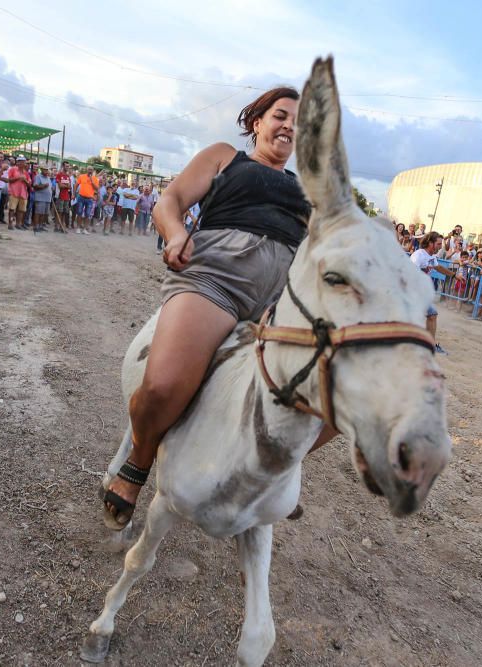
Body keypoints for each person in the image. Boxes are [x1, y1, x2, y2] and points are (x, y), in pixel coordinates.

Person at [102, 86, 319, 529]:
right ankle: (139, 462)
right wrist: (176, 233)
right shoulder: (226, 158)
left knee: (325, 399)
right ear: (257, 122)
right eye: (280, 115)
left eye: (299, 124)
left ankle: (273, 475)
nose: (289, 126)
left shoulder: (305, 190)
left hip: (278, 301)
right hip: (216, 276)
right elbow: (172, 201)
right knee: (162, 388)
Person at [410, 232, 453, 353]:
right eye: (438, 244)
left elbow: (438, 267)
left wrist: (454, 275)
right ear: (430, 243)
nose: (440, 246)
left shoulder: (431, 256)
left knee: (432, 315)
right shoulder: (418, 255)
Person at [5, 156, 30, 230]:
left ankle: (18, 224)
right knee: (12, 209)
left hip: (23, 193)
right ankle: (10, 224)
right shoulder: (13, 169)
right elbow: (8, 180)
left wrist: (25, 180)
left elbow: (29, 184)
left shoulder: (26, 172)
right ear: (17, 162)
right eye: (20, 162)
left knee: (21, 210)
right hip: (14, 192)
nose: (22, 163)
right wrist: (18, 178)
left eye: (23, 162)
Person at [76, 166, 99, 234]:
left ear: (93, 171)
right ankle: (78, 228)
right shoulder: (81, 176)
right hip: (81, 197)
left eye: (91, 169)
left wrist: (92, 182)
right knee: (79, 213)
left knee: (87, 214)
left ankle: (85, 229)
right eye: (89, 169)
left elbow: (97, 189)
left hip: (89, 199)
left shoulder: (95, 179)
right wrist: (74, 194)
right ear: (87, 170)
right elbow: (76, 185)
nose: (90, 170)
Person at [32, 165, 53, 231]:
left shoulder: (48, 177)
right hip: (40, 198)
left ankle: (41, 226)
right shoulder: (38, 176)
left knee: (44, 213)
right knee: (38, 213)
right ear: (41, 169)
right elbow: (35, 186)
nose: (46, 171)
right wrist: (44, 186)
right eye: (45, 169)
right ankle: (36, 226)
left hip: (47, 198)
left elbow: (49, 186)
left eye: (47, 170)